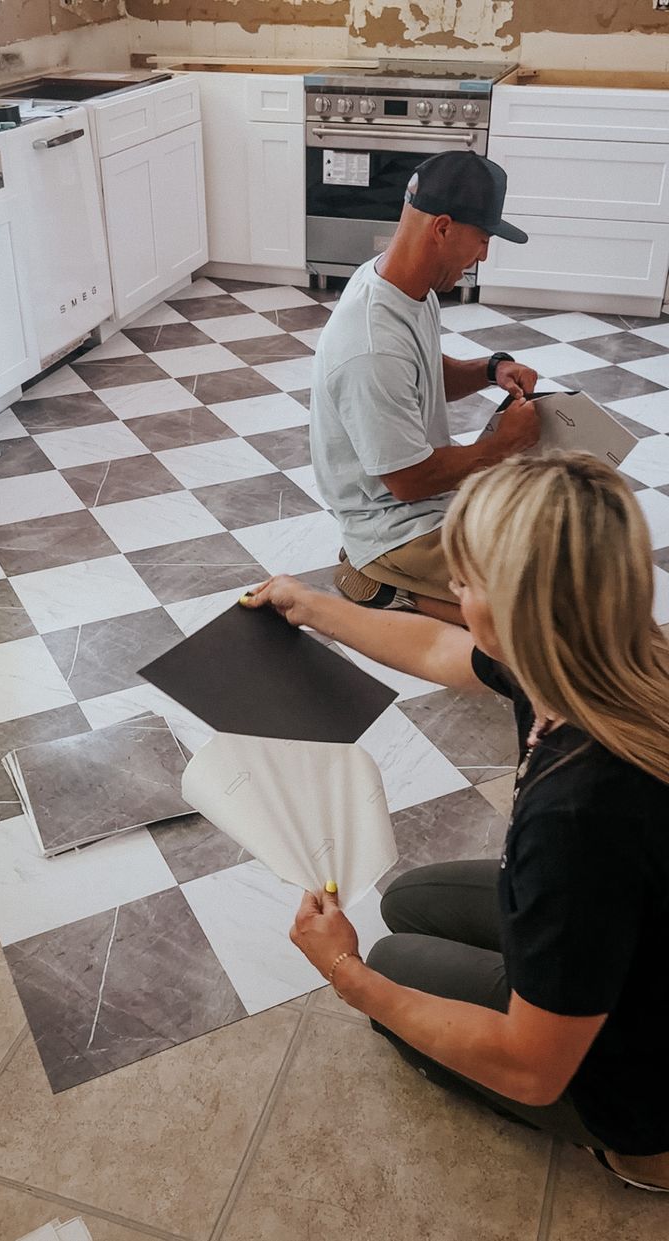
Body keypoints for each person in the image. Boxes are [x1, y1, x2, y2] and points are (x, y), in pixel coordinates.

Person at [242, 452, 669, 1191]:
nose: (451, 593)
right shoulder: (606, 656)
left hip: (638, 1079)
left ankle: (644, 1155)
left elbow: (530, 1066)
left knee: (388, 968)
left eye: (463, 580)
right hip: (638, 944)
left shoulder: (578, 816)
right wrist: (313, 606)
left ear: (519, 612)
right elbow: (444, 647)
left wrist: (345, 974)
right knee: (408, 901)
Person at [311, 149, 541, 623]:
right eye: (482, 238)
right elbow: (408, 481)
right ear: (442, 228)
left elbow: (420, 370)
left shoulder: (402, 285)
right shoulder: (371, 344)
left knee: (556, 541)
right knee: (544, 613)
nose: (484, 253)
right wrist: (501, 448)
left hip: (430, 500)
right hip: (398, 527)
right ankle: (380, 584)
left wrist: (488, 368)